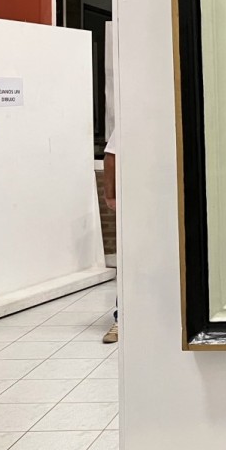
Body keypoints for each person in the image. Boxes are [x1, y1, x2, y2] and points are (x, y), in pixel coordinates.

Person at [102, 131, 118, 343]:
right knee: (133, 264)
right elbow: (112, 156)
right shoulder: (130, 120)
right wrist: (110, 195)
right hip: (139, 199)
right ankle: (121, 320)